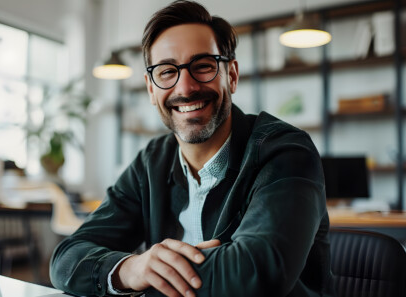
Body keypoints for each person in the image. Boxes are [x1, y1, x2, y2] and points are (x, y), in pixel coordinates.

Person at [50, 1, 335, 296]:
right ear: (151, 88)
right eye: (166, 72)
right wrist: (133, 268)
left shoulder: (286, 151)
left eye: (203, 66)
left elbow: (258, 271)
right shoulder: (151, 162)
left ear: (232, 76)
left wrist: (153, 275)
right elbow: (66, 259)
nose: (185, 88)